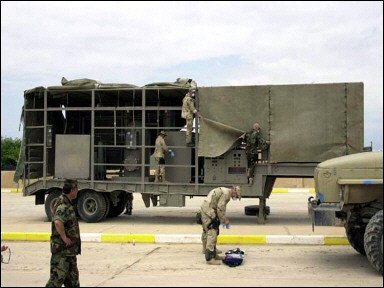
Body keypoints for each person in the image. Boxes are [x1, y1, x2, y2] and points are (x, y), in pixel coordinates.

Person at [46, 179, 81, 287]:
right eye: (76, 189)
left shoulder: (66, 202)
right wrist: (64, 238)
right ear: (72, 190)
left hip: (69, 252)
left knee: (73, 281)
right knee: (56, 281)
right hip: (62, 252)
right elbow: (58, 222)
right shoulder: (63, 205)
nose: (77, 191)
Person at [200, 186, 241, 265]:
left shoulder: (225, 190)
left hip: (206, 209)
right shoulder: (226, 194)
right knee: (212, 233)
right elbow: (220, 208)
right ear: (234, 191)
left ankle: (213, 254)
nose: (235, 197)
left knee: (208, 231)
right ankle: (209, 259)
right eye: (236, 196)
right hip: (209, 211)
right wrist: (224, 220)